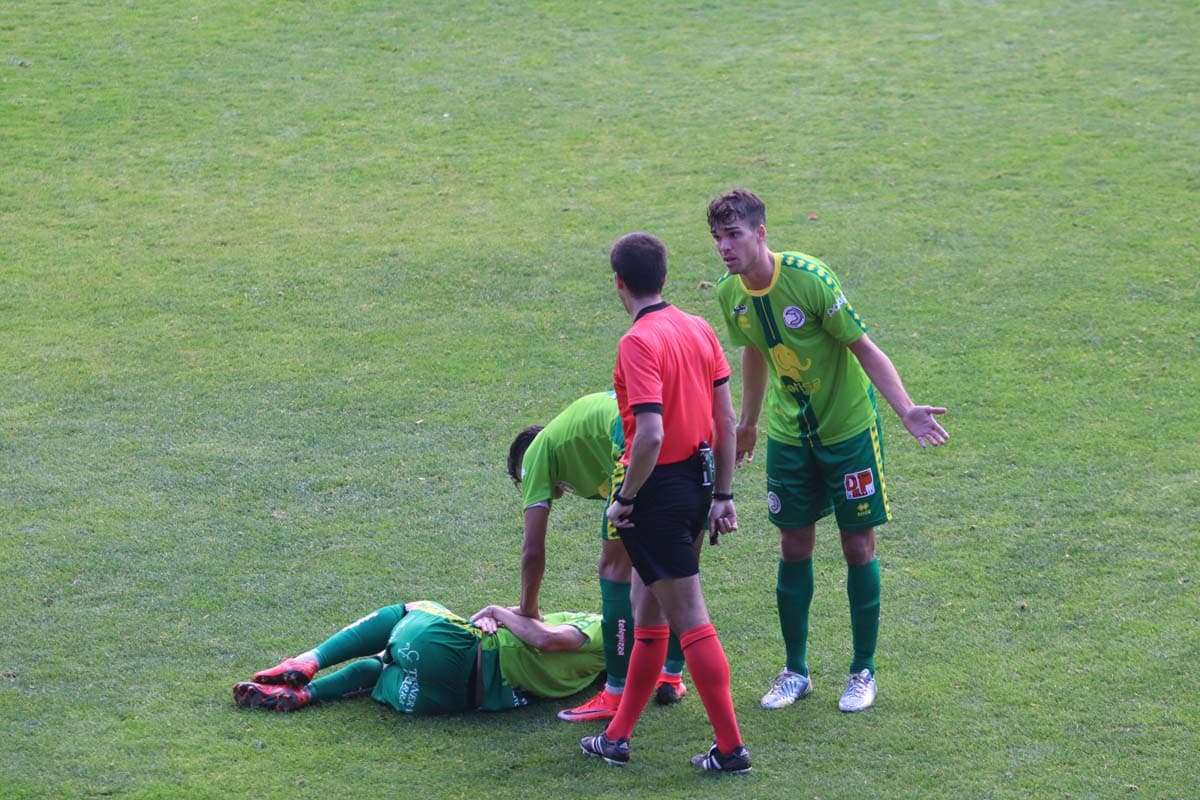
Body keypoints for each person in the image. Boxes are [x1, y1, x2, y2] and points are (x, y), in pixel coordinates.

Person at [707, 188, 949, 714]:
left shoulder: (810, 278)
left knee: (857, 546)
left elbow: (862, 345)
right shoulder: (730, 294)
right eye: (718, 238)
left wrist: (905, 408)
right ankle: (796, 670)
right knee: (793, 546)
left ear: (761, 233)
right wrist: (747, 423)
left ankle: (863, 669)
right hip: (790, 438)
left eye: (734, 235)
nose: (725, 247)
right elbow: (752, 352)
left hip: (847, 431)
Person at [578, 232, 750, 774]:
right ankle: (617, 736)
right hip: (698, 483)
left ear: (618, 283)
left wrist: (624, 499)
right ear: (665, 277)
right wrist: (722, 493)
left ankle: (730, 749)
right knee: (647, 610)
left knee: (690, 619)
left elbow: (648, 434)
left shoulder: (637, 342)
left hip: (657, 491)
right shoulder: (698, 328)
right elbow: (725, 421)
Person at [508, 392, 689, 723]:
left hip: (636, 441)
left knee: (614, 569)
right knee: (671, 568)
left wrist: (528, 609)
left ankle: (615, 694)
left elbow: (533, 549)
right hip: (680, 431)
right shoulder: (576, 442)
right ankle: (670, 676)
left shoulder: (535, 455)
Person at [232, 600, 604, 715]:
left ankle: (308, 660)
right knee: (382, 669)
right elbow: (534, 626)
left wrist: (496, 610)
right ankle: (303, 695)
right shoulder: (600, 671)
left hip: (455, 652)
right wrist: (505, 614)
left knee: (415, 608)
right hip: (445, 701)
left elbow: (546, 638)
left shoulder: (605, 626)